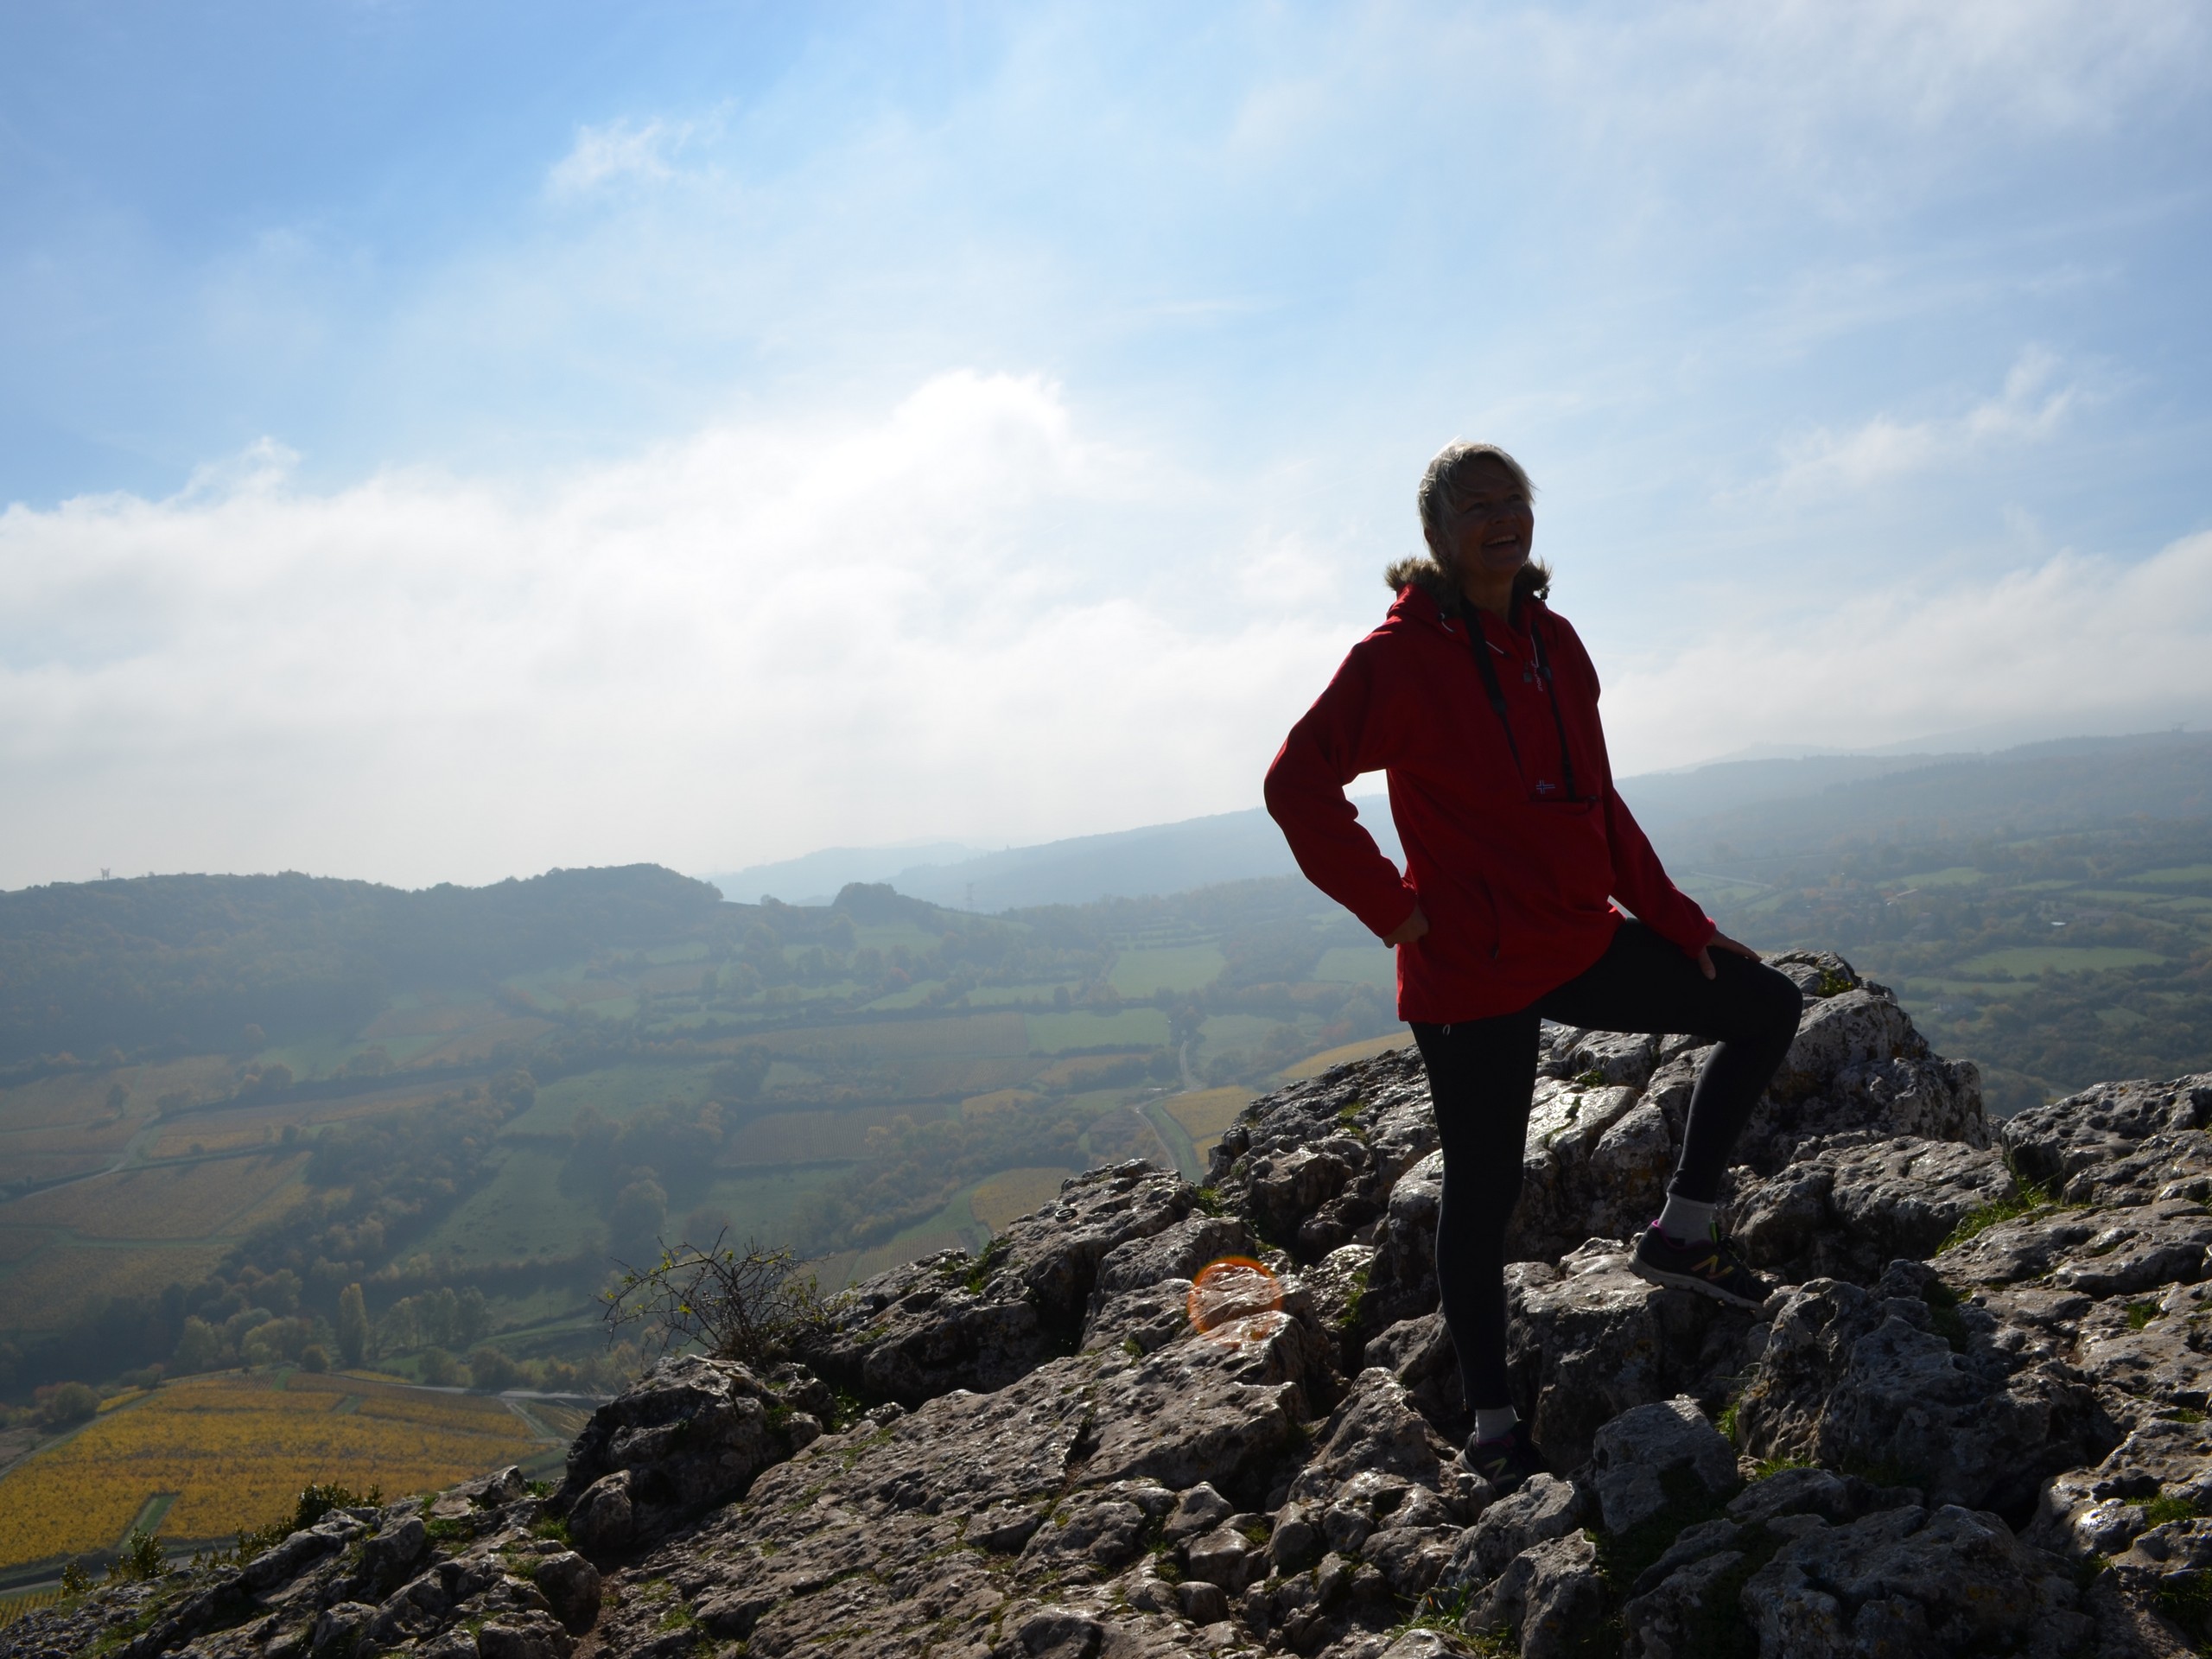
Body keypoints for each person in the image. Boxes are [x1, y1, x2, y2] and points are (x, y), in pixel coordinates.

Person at [1263, 440, 1803, 1491]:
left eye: (1515, 500)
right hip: (1469, 971)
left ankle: (1684, 1234)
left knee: (1765, 1006)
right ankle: (1495, 1418)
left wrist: (1678, 920)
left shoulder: (1555, 643)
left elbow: (1596, 802)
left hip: (1574, 935)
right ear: (1435, 536)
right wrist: (1398, 913)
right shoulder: (1398, 659)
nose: (1501, 519)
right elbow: (1297, 785)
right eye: (1477, 506)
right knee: (1483, 1191)